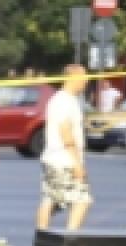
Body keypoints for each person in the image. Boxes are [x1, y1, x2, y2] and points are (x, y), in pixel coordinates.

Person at [37, 64, 92, 232]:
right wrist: (77, 164)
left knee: (52, 199)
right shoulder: (63, 101)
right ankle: (70, 238)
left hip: (55, 159)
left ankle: (42, 235)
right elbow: (65, 132)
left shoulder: (65, 99)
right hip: (64, 161)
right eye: (83, 78)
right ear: (71, 78)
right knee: (82, 200)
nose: (86, 81)